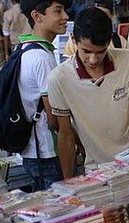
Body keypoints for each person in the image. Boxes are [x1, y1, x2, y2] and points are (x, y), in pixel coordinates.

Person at [49, 7, 129, 179]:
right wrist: (68, 181)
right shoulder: (59, 79)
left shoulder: (128, 60)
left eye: (100, 52)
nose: (93, 60)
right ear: (73, 40)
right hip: (98, 169)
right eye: (86, 51)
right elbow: (65, 134)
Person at [16, 0, 71, 191]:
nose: (65, 17)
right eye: (58, 11)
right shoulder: (42, 57)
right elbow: (54, 118)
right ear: (37, 16)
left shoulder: (23, 48)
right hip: (46, 153)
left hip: (32, 151)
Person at [63, 0, 128, 58]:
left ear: (112, 16)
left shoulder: (119, 41)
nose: (93, 60)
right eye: (86, 51)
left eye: (103, 16)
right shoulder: (75, 41)